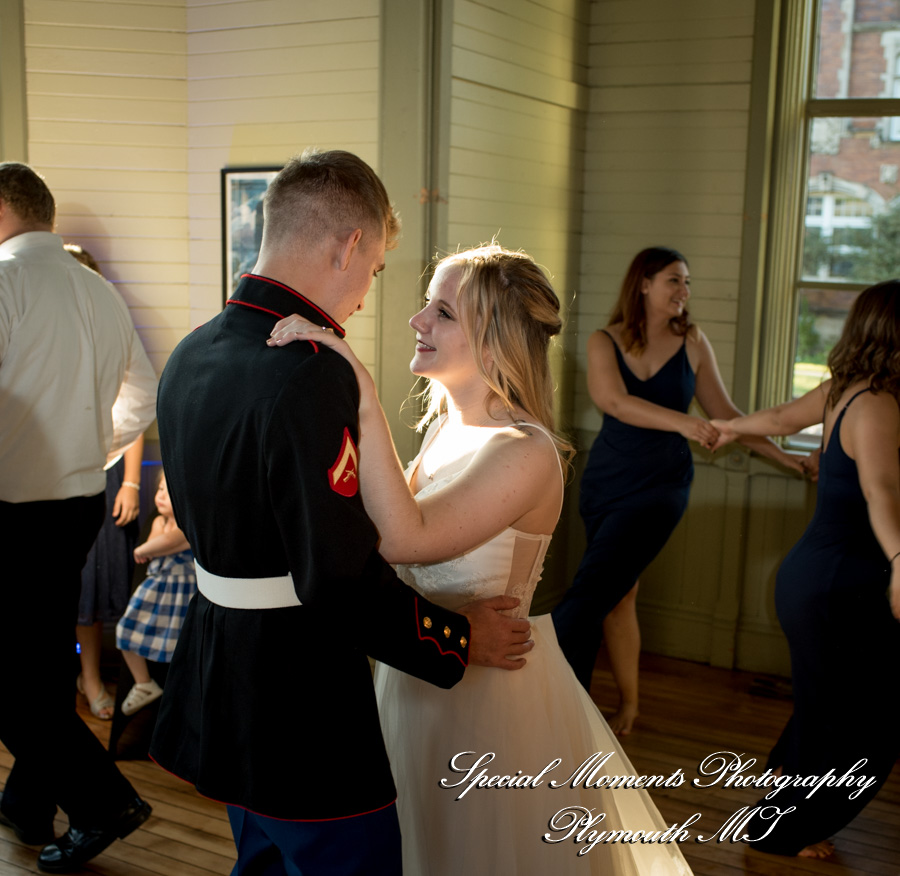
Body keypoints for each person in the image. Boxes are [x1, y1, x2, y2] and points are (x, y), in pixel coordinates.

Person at [149, 150, 532, 876]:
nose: (364, 295)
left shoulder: (193, 352)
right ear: (350, 244)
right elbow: (339, 575)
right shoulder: (310, 371)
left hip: (220, 670)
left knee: (260, 862)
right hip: (300, 695)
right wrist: (455, 641)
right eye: (378, 270)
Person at [270, 244, 694, 876]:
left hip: (487, 706)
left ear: (494, 341)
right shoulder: (444, 428)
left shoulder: (525, 451)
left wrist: (358, 384)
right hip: (420, 675)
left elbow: (402, 540)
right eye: (426, 306)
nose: (417, 321)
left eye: (441, 312)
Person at [551, 247, 801, 735]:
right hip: (606, 482)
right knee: (618, 595)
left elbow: (727, 415)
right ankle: (629, 706)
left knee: (586, 597)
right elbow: (614, 403)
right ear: (643, 284)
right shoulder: (606, 340)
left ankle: (562, 703)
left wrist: (788, 459)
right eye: (674, 281)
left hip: (662, 487)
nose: (684, 293)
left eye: (687, 283)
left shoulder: (693, 341)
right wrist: (687, 423)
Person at [0, 162, 157, 872]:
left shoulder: (3, 281)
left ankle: (103, 803)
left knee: (14, 682)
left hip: (9, 509)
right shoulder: (98, 291)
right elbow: (143, 399)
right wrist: (86, 450)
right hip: (75, 504)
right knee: (34, 666)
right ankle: (29, 803)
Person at [709, 279, 900, 859]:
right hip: (842, 585)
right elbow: (881, 489)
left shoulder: (846, 389)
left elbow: (777, 417)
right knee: (872, 717)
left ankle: (779, 818)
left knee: (823, 709)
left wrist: (729, 428)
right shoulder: (878, 403)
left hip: (816, 580)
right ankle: (788, 829)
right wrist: (899, 558)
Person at [64, 243, 145, 721]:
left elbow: (133, 409)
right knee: (71, 584)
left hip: (108, 471)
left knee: (99, 584)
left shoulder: (110, 332)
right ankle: (86, 678)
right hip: (57, 475)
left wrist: (132, 485)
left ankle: (97, 674)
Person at [116, 472, 194, 715]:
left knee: (179, 647)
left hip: (181, 592)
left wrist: (144, 548)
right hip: (158, 589)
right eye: (159, 489)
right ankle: (143, 683)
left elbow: (167, 543)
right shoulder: (159, 521)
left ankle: (182, 694)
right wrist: (149, 547)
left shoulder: (188, 526)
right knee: (125, 629)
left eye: (167, 493)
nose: (159, 496)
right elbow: (155, 547)